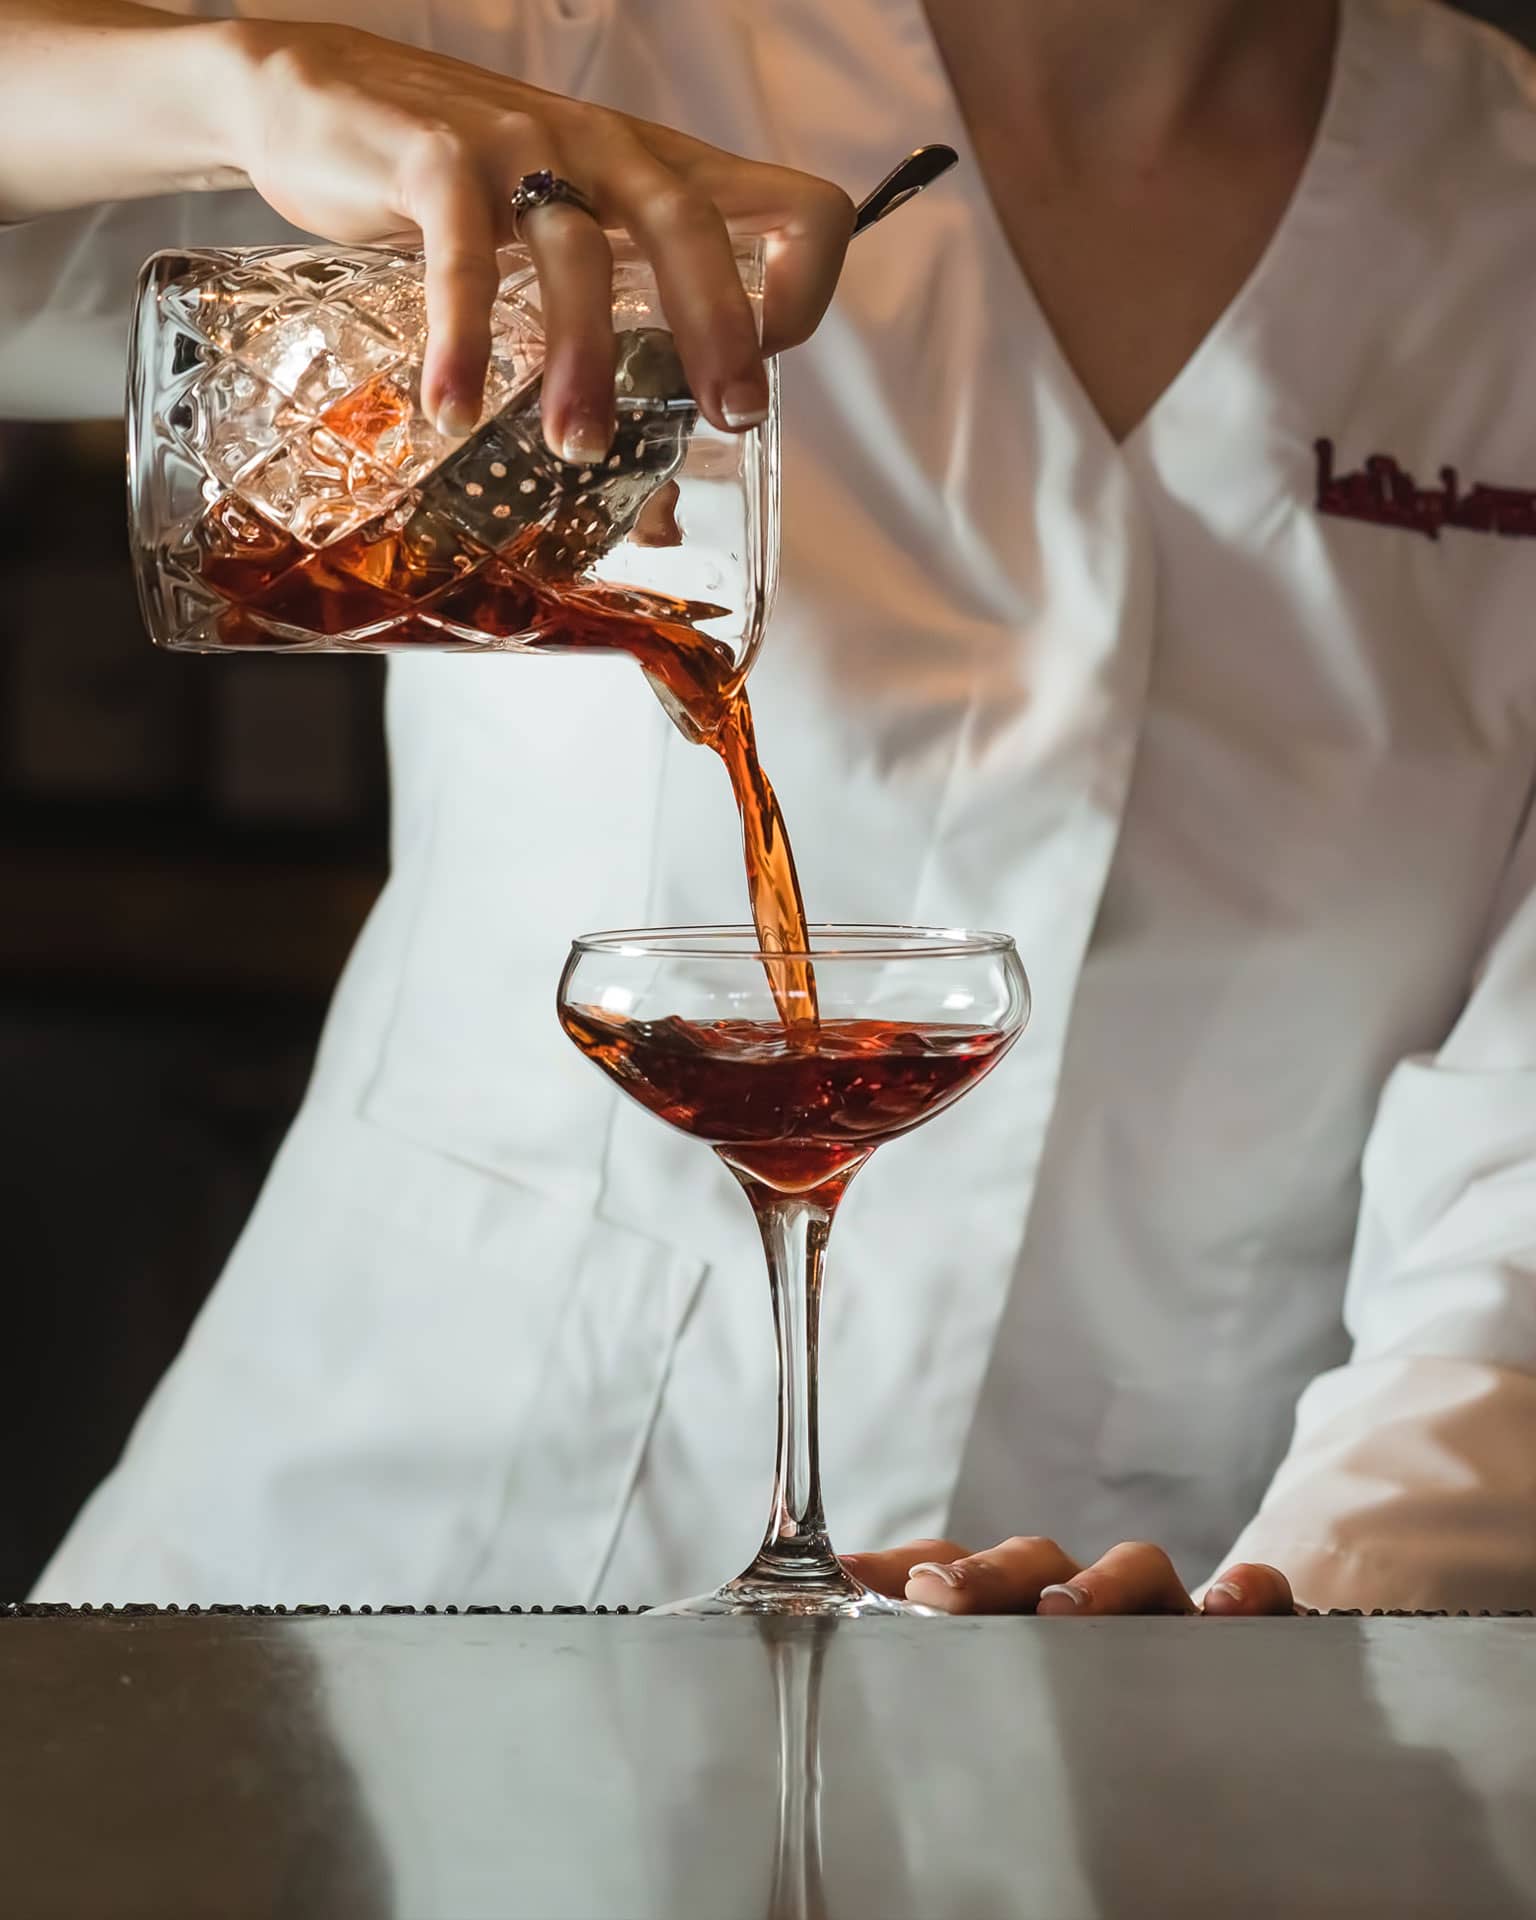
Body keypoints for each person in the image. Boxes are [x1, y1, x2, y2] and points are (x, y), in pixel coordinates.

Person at [3, 0, 1534, 1619]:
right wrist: (228, 76)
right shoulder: (552, 40)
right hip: (366, 1591)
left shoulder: (1497, 216)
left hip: (1122, 1667)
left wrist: (1314, 1619)